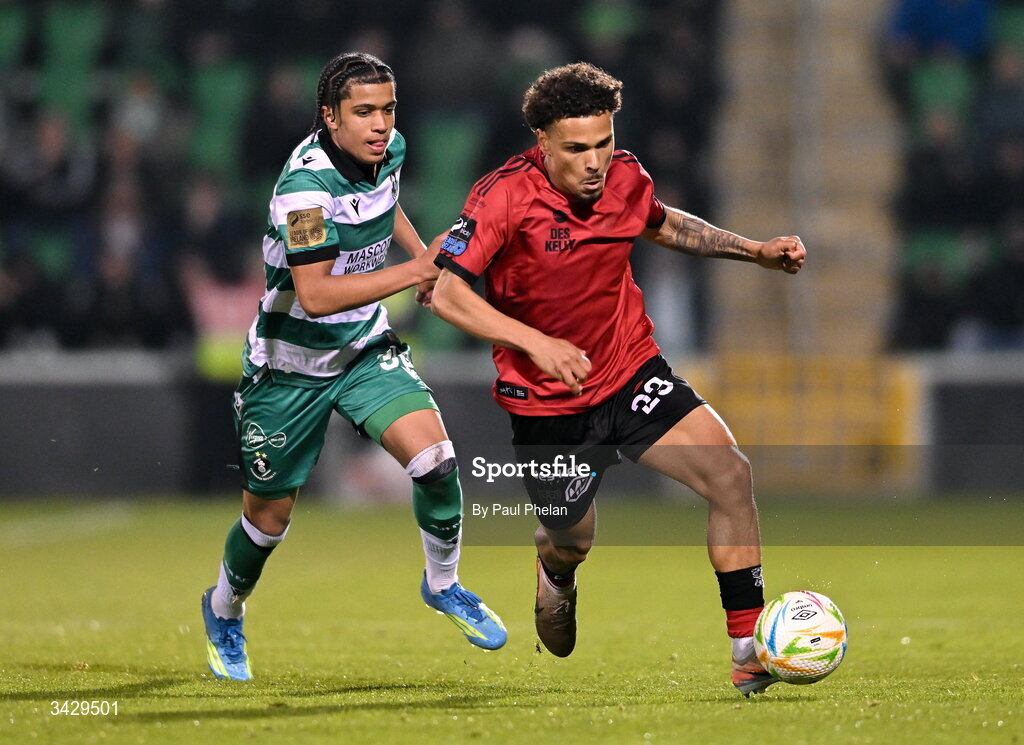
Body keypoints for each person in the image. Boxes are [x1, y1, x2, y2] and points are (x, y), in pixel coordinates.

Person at [429, 62, 806, 697]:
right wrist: (535, 343)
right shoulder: (503, 196)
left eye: (603, 142)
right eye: (576, 148)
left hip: (630, 369)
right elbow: (445, 293)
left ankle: (748, 650)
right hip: (548, 406)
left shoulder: (627, 177)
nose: (595, 161)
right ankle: (555, 569)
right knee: (573, 539)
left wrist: (755, 251)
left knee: (729, 473)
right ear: (542, 142)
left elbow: (665, 223)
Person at [200, 52, 506, 681]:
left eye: (387, 109)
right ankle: (224, 610)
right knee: (269, 520)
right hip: (289, 366)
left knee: (436, 461)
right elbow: (314, 295)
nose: (379, 124)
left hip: (364, 348)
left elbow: (385, 203)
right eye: (363, 112)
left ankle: (443, 583)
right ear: (329, 117)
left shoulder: (388, 149)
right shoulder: (304, 192)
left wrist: (424, 258)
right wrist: (415, 271)